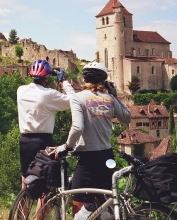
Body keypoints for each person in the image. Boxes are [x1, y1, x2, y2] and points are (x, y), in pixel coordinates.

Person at [52, 61, 131, 219]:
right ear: (103, 81)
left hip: (87, 158)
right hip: (107, 156)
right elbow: (127, 118)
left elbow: (77, 128)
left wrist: (67, 146)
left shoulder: (77, 98)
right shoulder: (109, 98)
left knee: (80, 203)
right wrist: (114, 96)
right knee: (106, 204)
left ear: (84, 80)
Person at [17, 59, 75, 188]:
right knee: (45, 181)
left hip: (25, 140)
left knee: (25, 178)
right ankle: (42, 209)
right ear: (47, 78)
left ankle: (21, 207)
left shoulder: (20, 91)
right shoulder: (49, 95)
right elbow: (73, 100)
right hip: (43, 140)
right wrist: (63, 81)